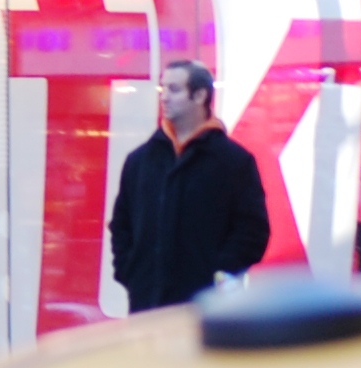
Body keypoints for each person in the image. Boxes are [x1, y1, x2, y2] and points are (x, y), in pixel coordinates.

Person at [109, 58, 270, 312]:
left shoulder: (233, 162)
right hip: (146, 303)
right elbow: (121, 223)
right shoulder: (140, 161)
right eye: (163, 89)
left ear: (200, 95)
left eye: (174, 90)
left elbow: (252, 231)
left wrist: (217, 273)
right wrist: (130, 271)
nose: (164, 98)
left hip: (203, 306)